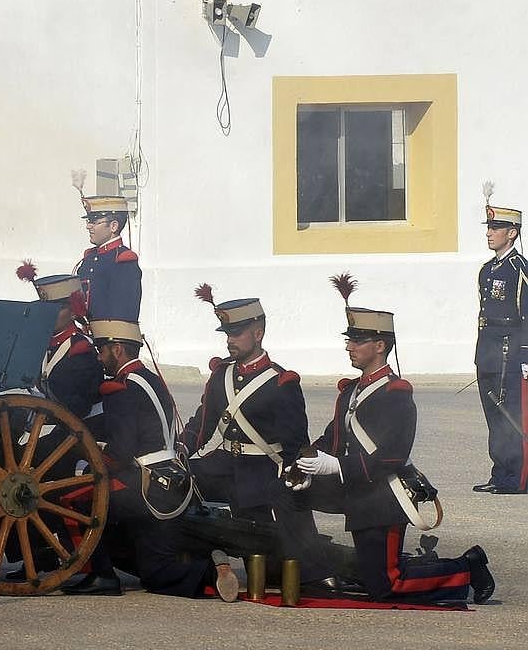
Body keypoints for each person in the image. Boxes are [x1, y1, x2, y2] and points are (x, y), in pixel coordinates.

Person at [294, 301, 494, 604]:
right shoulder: (351, 391)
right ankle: (312, 570)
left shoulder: (396, 394)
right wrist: (303, 465)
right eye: (349, 340)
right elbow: (332, 437)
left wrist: (335, 468)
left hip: (382, 498)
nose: (349, 346)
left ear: (379, 345)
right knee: (283, 493)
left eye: (357, 340)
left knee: (386, 586)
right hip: (355, 491)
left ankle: (467, 567)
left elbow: (392, 456)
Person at [67, 319, 239, 601]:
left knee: (81, 497)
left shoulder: (121, 389)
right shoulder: (149, 379)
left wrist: (87, 461)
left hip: (145, 484)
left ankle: (102, 574)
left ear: (118, 350)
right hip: (169, 481)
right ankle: (210, 569)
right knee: (155, 572)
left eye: (102, 350)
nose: (99, 357)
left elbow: (121, 452)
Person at [182, 288, 328, 584]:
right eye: (227, 333)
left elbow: (294, 444)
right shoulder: (220, 374)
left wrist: (291, 481)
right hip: (222, 466)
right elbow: (202, 424)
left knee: (265, 574)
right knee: (174, 489)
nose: (229, 340)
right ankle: (208, 561)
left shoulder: (281, 382)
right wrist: (179, 452)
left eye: (236, 333)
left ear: (258, 333)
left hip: (260, 474)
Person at [473, 196, 528, 493]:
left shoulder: (519, 269)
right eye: (489, 226)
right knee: (494, 417)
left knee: (511, 417)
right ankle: (500, 473)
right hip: (489, 354)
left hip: (510, 354)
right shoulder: (487, 270)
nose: (489, 232)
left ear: (512, 232)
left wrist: (526, 358)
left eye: (496, 227)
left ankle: (515, 478)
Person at [17, 263, 103, 433]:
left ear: (73, 311)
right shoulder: (39, 344)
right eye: (46, 309)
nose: (49, 315)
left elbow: (80, 405)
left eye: (57, 309)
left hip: (75, 431)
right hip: (46, 423)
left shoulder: (81, 349)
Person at [74, 195, 140, 322]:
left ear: (113, 226)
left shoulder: (123, 260)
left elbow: (124, 314)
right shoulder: (89, 258)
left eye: (94, 221)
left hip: (110, 338)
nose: (89, 226)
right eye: (89, 221)